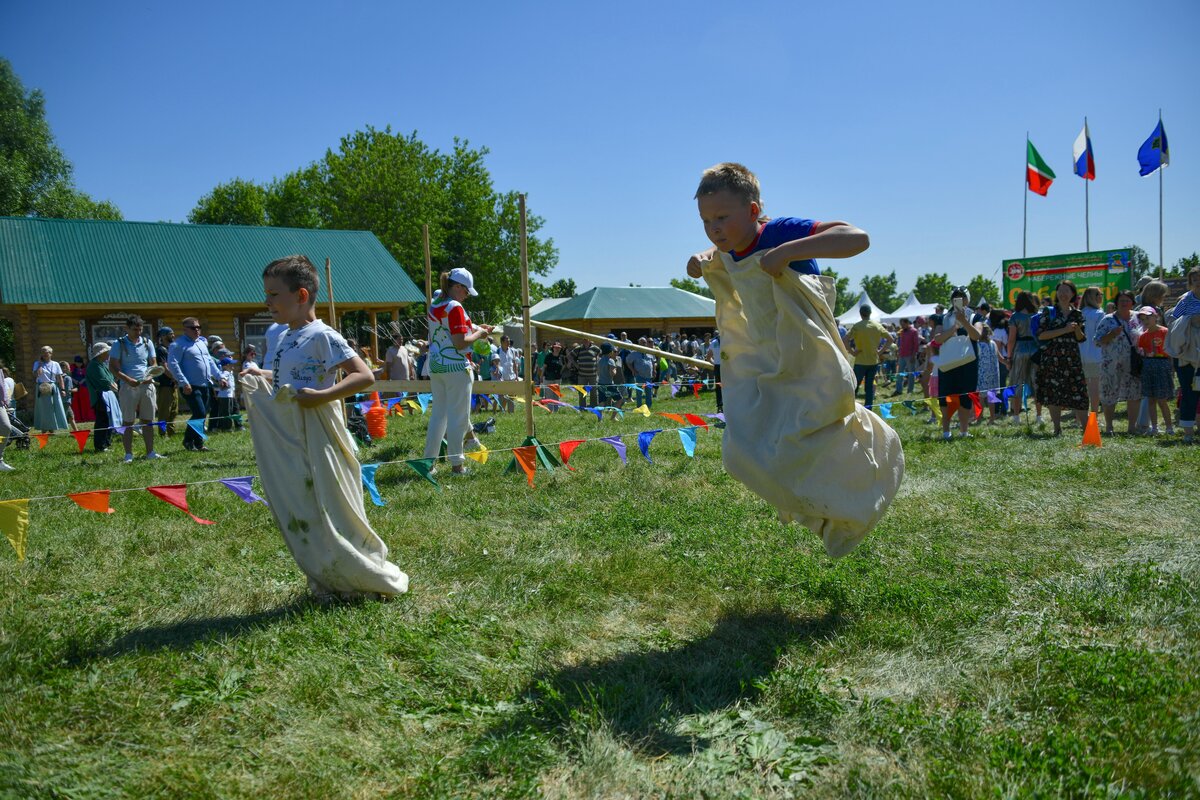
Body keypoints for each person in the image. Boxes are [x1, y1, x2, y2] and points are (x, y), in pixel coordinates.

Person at [685, 161, 902, 558]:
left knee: (821, 431)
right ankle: (818, 511)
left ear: (752, 211)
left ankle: (873, 467)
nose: (713, 228)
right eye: (705, 221)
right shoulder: (727, 250)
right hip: (771, 363)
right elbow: (724, 263)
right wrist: (702, 259)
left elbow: (856, 237)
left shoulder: (779, 232)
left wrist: (787, 252)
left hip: (811, 356)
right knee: (742, 452)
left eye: (721, 217)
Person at [240, 254, 407, 601]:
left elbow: (362, 375)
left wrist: (325, 395)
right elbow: (293, 379)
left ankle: (359, 573)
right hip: (293, 431)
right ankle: (328, 575)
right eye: (266, 294)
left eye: (274, 294)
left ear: (301, 296)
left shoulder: (323, 335)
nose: (266, 301)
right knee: (305, 502)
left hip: (320, 429)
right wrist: (263, 375)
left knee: (332, 501)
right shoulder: (285, 337)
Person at [423, 267, 492, 475]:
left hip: (436, 365)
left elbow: (448, 332)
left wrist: (474, 327)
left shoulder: (436, 305)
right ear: (458, 287)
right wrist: (480, 333)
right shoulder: (455, 307)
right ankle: (457, 466)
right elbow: (460, 343)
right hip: (456, 367)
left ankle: (428, 464)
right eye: (466, 291)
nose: (467, 296)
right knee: (459, 417)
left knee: (438, 417)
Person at [1035, 280, 1089, 436]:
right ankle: (1057, 428)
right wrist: (1065, 330)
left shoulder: (1077, 314)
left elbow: (1081, 338)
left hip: (1072, 358)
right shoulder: (1049, 311)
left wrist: (1077, 329)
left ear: (1073, 294)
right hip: (1052, 357)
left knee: (1079, 392)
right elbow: (1042, 335)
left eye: (1067, 291)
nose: (1063, 294)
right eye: (1061, 291)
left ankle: (1086, 430)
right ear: (1056, 293)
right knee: (1054, 394)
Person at [110, 315, 165, 462]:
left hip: (147, 385)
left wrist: (150, 376)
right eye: (135, 330)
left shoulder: (147, 343)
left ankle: (150, 452)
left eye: (140, 329)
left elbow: (153, 363)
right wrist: (128, 380)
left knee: (148, 420)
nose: (138, 332)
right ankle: (128, 454)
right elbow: (113, 367)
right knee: (128, 421)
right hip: (128, 386)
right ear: (126, 329)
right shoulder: (118, 344)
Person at [167, 317, 224, 452]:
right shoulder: (178, 344)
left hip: (205, 384)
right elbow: (173, 364)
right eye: (193, 328)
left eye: (198, 327)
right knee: (199, 412)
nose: (197, 330)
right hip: (190, 386)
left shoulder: (201, 343)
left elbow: (209, 361)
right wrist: (183, 382)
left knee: (203, 414)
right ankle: (187, 440)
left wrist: (219, 377)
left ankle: (198, 443)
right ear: (185, 329)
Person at [933, 287, 981, 439]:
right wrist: (953, 328)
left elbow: (977, 335)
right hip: (948, 362)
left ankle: (964, 431)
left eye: (962, 298)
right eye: (956, 298)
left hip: (968, 362)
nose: (959, 301)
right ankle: (946, 431)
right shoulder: (944, 318)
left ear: (968, 300)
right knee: (945, 395)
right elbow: (937, 339)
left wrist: (964, 322)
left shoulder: (975, 317)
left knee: (966, 394)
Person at [1094, 290, 1143, 435]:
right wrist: (1111, 334)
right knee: (1109, 394)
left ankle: (1132, 427)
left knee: (1134, 393)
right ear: (1116, 303)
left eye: (1127, 300)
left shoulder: (1139, 318)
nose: (1124, 303)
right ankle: (1109, 426)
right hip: (1111, 363)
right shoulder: (1108, 319)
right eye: (1121, 300)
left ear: (1133, 302)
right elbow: (1097, 340)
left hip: (1133, 363)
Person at [1167, 267, 1200, 443]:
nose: (1198, 282)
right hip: (1187, 353)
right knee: (1189, 392)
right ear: (1190, 282)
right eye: (1195, 279)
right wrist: (1190, 320)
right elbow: (1172, 320)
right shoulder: (1186, 300)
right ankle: (1188, 432)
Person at [847, 305, 893, 410]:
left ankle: (850, 408)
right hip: (873, 361)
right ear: (870, 313)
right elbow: (890, 339)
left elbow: (845, 339)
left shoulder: (857, 326)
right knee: (869, 388)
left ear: (860, 313)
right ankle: (868, 410)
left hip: (860, 362)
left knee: (854, 386)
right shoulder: (877, 325)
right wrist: (880, 351)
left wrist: (852, 352)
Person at [1137, 306, 1174, 435]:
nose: (1145, 321)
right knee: (1151, 399)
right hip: (1148, 366)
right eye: (1142, 319)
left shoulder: (1165, 332)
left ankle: (1169, 427)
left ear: (1156, 316)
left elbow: (1170, 352)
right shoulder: (1143, 336)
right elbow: (1144, 352)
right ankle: (1154, 427)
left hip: (1162, 364)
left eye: (1148, 317)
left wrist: (1172, 368)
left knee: (1162, 399)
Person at [1006, 291, 1040, 422]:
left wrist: (1009, 358)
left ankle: (1016, 416)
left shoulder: (1015, 317)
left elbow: (1011, 340)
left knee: (1017, 382)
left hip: (1020, 349)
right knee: (1037, 382)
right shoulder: (1037, 315)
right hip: (1035, 349)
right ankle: (1039, 416)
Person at [85, 341, 118, 453]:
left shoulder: (102, 364)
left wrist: (112, 383)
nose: (109, 354)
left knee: (108, 420)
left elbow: (111, 378)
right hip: (100, 397)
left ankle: (106, 443)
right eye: (107, 352)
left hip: (107, 396)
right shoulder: (94, 365)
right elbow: (104, 381)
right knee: (102, 421)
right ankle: (100, 445)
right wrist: (112, 384)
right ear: (101, 353)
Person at [1079, 286, 1105, 414]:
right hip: (1095, 354)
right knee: (1094, 387)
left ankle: (1080, 416)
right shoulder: (1099, 314)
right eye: (1099, 294)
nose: (1101, 296)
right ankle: (1093, 415)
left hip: (1080, 354)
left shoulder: (1079, 313)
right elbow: (1100, 336)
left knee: (1081, 387)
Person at [32, 346, 69, 434]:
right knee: (43, 408)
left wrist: (63, 389)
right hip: (41, 388)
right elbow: (35, 375)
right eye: (42, 352)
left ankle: (52, 428)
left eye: (46, 352)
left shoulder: (55, 364)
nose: (44, 354)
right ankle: (44, 429)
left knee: (53, 407)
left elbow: (59, 377)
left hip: (52, 387)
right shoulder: (37, 363)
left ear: (50, 354)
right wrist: (40, 365)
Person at [155, 327, 179, 436]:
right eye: (170, 334)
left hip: (173, 385)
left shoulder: (171, 349)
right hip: (164, 385)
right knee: (164, 411)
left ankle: (171, 433)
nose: (173, 336)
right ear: (163, 336)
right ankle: (162, 434)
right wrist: (175, 378)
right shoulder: (161, 350)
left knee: (174, 411)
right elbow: (164, 368)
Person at [975, 325, 1001, 424]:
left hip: (981, 374)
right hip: (993, 374)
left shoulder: (977, 345)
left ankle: (979, 418)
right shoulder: (993, 343)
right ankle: (992, 418)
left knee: (980, 397)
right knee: (991, 396)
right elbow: (1000, 357)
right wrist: (1007, 363)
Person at [892, 318, 920, 396]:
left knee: (911, 374)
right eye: (901, 324)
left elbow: (916, 344)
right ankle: (898, 390)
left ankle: (910, 390)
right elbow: (900, 344)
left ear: (907, 323)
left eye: (903, 324)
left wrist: (913, 356)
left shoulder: (914, 331)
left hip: (910, 355)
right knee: (899, 373)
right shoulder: (902, 332)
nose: (902, 326)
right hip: (902, 355)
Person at [571, 339, 600, 407]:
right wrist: (576, 365)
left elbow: (599, 354)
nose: (585, 341)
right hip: (582, 375)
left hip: (593, 374)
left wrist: (597, 361)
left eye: (587, 340)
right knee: (582, 392)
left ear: (590, 340)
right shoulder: (578, 348)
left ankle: (593, 406)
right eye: (584, 340)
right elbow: (569, 356)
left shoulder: (595, 348)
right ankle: (582, 407)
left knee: (594, 392)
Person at [58, 360, 80, 433]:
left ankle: (76, 430)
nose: (69, 368)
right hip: (66, 400)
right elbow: (68, 390)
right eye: (68, 366)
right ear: (64, 368)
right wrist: (76, 389)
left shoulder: (57, 378)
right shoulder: (67, 378)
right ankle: (76, 431)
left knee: (69, 416)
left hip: (59, 400)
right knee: (70, 416)